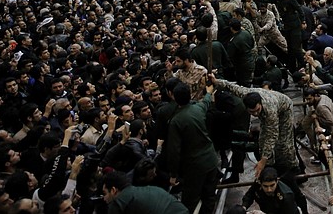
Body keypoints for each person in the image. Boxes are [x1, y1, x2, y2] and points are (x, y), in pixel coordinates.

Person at [210, 76, 308, 214]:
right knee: (262, 143)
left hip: (284, 110)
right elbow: (234, 87)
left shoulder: (270, 112)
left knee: (283, 144)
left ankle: (293, 166)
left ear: (260, 103)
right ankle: (271, 163)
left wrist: (263, 161)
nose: (255, 114)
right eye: (252, 112)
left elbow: (272, 135)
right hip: (270, 112)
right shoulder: (247, 94)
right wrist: (216, 82)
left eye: (257, 110)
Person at [166, 82, 221, 213]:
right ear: (190, 94)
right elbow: (206, 101)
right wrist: (208, 92)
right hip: (211, 159)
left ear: (171, 95)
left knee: (189, 201)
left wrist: (173, 174)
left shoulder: (176, 121)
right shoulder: (199, 108)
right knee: (209, 197)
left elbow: (174, 151)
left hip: (194, 166)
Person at [102, 170, 189, 214]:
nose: (103, 198)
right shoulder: (150, 189)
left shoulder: (119, 202)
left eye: (105, 193)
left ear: (113, 190)